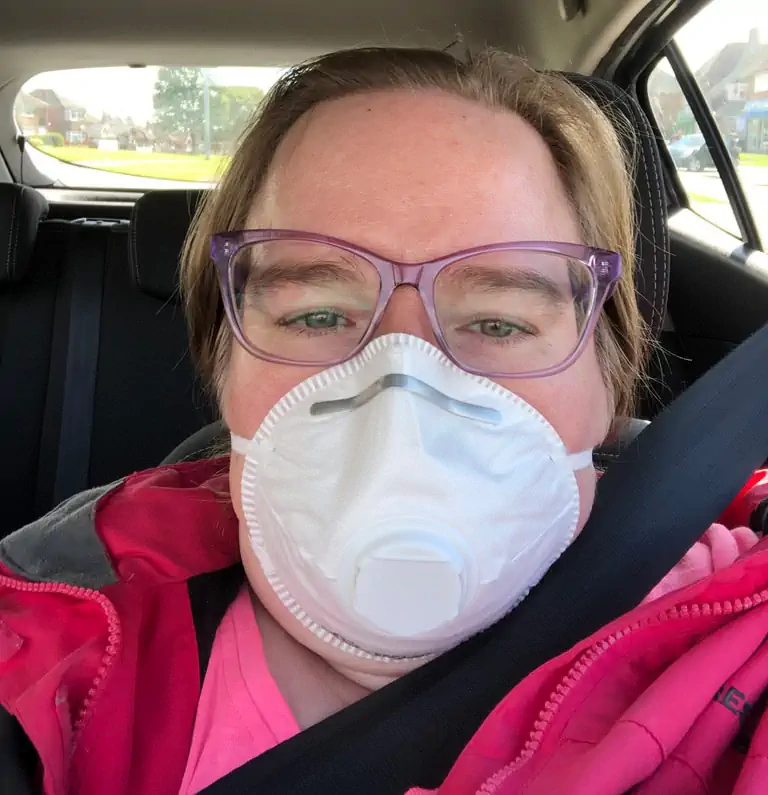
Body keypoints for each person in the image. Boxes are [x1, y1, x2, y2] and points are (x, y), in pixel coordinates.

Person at [1, 46, 767, 795]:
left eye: (498, 322)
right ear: (223, 373)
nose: (403, 392)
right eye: (318, 314)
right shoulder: (43, 642)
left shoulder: (740, 642)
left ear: (607, 384)